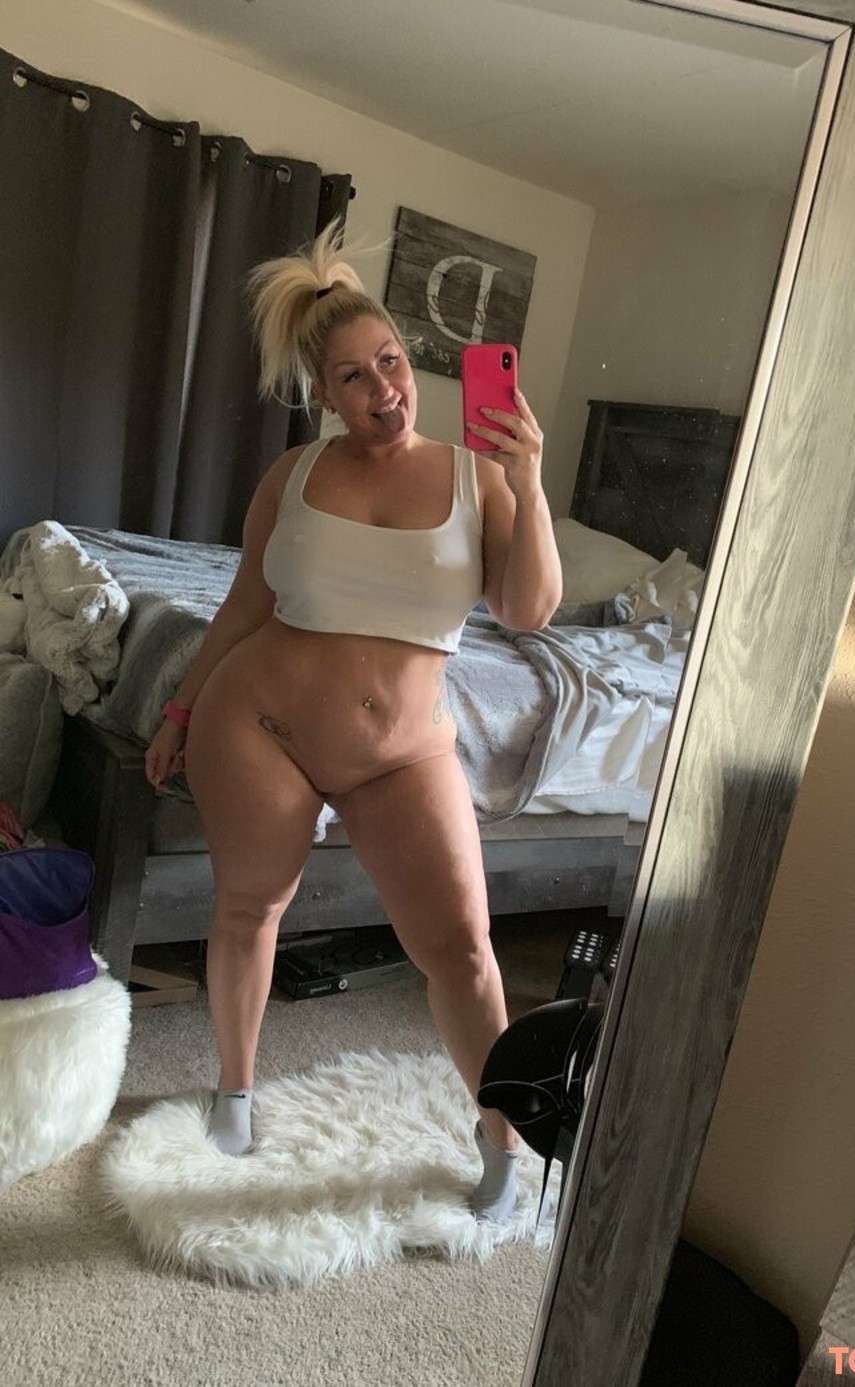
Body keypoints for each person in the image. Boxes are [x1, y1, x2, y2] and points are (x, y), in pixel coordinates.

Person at [143, 221, 562, 1222]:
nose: (385, 389)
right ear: (321, 394)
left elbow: (529, 609)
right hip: (262, 727)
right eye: (354, 377)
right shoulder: (292, 477)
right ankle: (235, 1093)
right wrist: (182, 706)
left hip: (401, 753)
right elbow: (243, 606)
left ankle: (499, 1135)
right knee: (250, 908)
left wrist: (531, 480)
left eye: (393, 362)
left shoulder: (476, 476)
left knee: (463, 947)